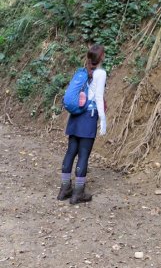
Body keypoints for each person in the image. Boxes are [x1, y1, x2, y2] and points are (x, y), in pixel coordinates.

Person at [57, 43, 107, 204]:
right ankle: (78, 192)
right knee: (83, 153)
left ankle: (64, 189)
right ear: (101, 57)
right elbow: (98, 97)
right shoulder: (100, 73)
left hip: (76, 114)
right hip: (88, 117)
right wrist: (103, 120)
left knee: (71, 151)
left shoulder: (84, 72)